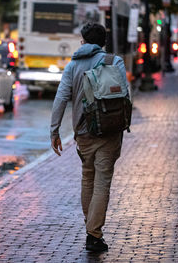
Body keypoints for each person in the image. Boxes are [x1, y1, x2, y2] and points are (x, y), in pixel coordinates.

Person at [50, 22, 127, 252]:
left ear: (83, 41)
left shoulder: (72, 65)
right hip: (110, 130)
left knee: (88, 177)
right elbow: (124, 93)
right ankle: (93, 235)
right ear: (103, 42)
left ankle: (90, 228)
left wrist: (54, 131)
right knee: (103, 181)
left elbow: (60, 99)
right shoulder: (115, 62)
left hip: (83, 132)